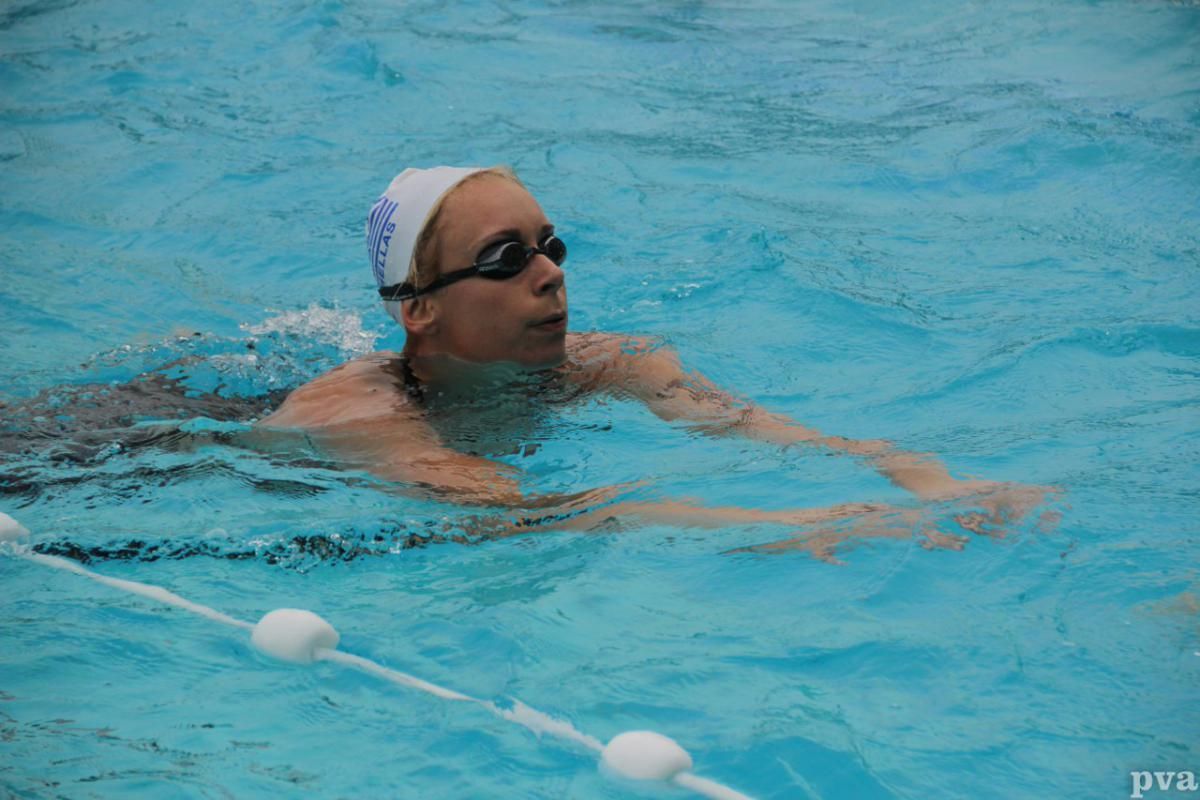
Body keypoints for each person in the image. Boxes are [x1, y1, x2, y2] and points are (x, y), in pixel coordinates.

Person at [258, 166, 1051, 558]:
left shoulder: (608, 364)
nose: (550, 272)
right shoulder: (360, 415)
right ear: (418, 308)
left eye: (550, 245)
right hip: (171, 452)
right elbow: (541, 515)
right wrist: (812, 526)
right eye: (505, 258)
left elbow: (768, 431)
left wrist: (930, 480)